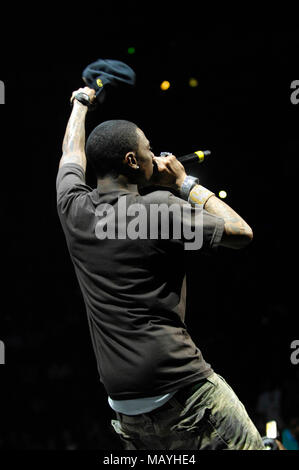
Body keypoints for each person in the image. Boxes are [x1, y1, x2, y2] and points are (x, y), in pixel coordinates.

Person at [56, 86, 265, 450]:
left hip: (125, 408)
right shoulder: (159, 210)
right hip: (184, 389)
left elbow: (71, 152)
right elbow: (241, 232)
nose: (157, 155)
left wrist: (79, 104)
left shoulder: (72, 207)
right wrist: (185, 184)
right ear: (132, 162)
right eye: (149, 149)